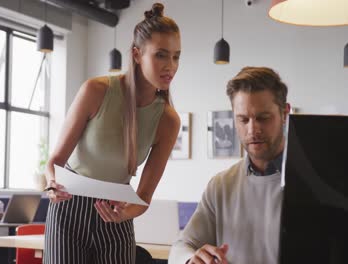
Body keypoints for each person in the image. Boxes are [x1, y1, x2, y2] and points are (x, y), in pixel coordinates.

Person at [43, 3, 181, 264]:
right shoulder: (96, 91)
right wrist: (51, 184)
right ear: (137, 54)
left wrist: (126, 213)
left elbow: (144, 197)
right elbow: (54, 162)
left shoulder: (168, 120)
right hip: (68, 209)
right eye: (161, 55)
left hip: (117, 214)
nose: (170, 66)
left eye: (176, 56)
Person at [169, 67, 291, 264]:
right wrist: (191, 259)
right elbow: (180, 247)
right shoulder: (221, 186)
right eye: (243, 119)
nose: (253, 130)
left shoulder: (315, 183)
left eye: (263, 118)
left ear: (285, 113)